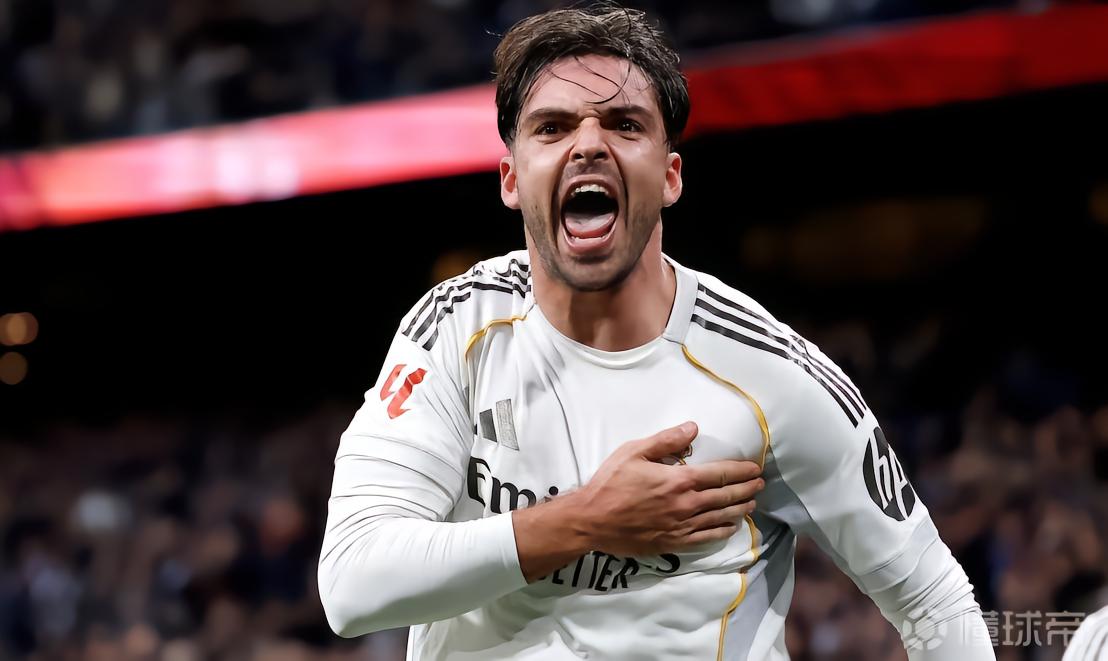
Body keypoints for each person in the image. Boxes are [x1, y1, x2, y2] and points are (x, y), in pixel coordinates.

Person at [318, 3, 995, 659]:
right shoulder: (453, 329)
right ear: (511, 179)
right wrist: (587, 520)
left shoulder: (772, 374)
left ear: (670, 177)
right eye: (553, 128)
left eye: (624, 124)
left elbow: (936, 601)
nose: (589, 144)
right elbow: (351, 584)